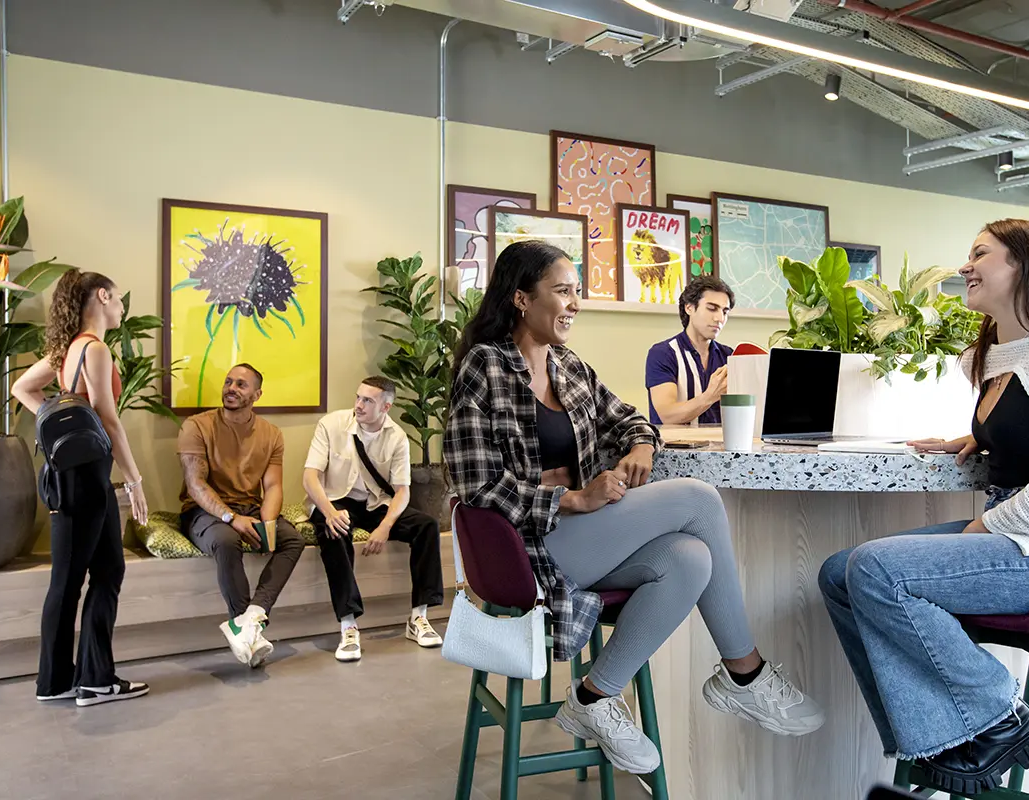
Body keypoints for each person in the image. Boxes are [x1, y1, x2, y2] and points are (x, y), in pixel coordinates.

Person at [445, 240, 823, 776]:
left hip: (580, 540)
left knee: (690, 557)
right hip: (526, 549)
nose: (574, 302)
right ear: (521, 299)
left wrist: (641, 447)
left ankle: (595, 696)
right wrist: (571, 498)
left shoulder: (569, 367)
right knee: (698, 497)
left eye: (577, 291)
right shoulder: (484, 367)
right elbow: (474, 481)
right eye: (561, 291)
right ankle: (746, 673)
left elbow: (633, 420)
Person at [817, 219, 1029, 796]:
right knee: (838, 573)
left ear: (1026, 265)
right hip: (1021, 532)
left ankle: (996, 714)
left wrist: (981, 528)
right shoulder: (995, 352)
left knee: (874, 570)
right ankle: (952, 740)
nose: (964, 266)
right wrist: (982, 436)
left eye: (980, 253)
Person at [12, 269, 151, 707]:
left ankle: (92, 678)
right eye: (119, 299)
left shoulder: (66, 350)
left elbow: (22, 388)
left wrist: (59, 420)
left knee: (108, 571)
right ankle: (56, 682)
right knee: (69, 581)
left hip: (84, 477)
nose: (122, 307)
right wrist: (134, 479)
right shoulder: (94, 350)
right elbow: (109, 420)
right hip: (87, 479)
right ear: (103, 296)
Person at [302, 376, 445, 662]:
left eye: (368, 400)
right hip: (334, 499)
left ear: (385, 407)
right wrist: (329, 512)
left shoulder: (396, 437)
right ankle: (348, 624)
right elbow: (310, 477)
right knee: (335, 531)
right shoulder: (331, 425)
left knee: (426, 526)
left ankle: (418, 617)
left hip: (374, 503)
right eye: (358, 397)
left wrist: (384, 527)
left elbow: (403, 491)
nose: (359, 405)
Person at [177, 363, 305, 667]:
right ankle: (241, 622)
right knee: (225, 540)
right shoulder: (196, 426)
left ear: (257, 394)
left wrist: (269, 525)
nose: (231, 388)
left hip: (250, 506)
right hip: (204, 511)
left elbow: (273, 486)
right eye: (228, 382)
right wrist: (231, 519)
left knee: (293, 540)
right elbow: (196, 485)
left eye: (241, 385)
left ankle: (251, 618)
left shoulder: (271, 434)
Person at [645, 275, 735, 426]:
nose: (719, 318)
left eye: (725, 312)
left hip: (722, 447)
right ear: (689, 308)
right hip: (676, 448)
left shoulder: (729, 355)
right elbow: (668, 416)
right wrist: (710, 395)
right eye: (712, 309)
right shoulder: (663, 353)